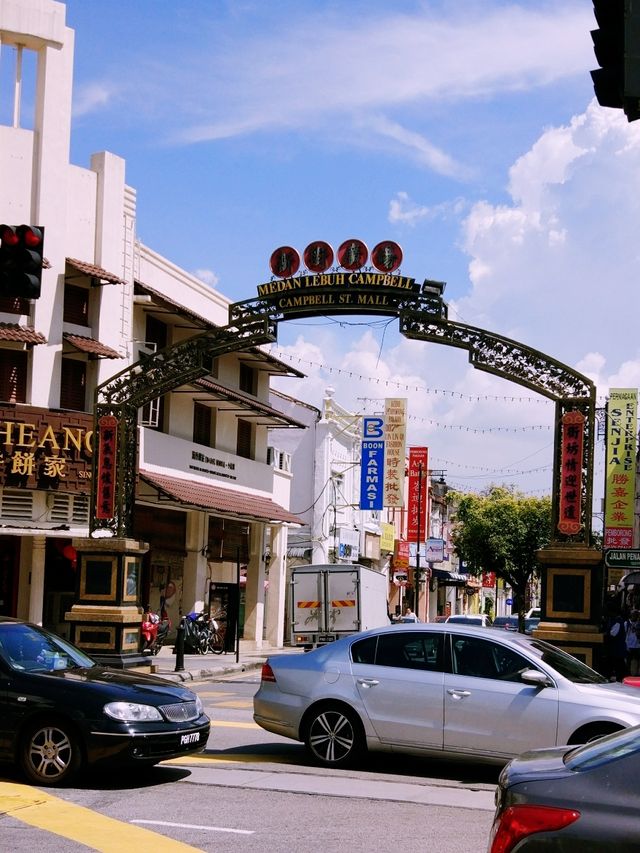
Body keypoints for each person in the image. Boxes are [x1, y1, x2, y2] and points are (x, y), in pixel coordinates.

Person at [627, 610, 640, 677]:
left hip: (637, 646)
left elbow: (638, 635)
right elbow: (626, 635)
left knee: (636, 661)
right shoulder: (627, 623)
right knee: (628, 661)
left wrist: (636, 629)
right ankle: (629, 674)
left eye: (635, 615)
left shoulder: (639, 624)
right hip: (629, 645)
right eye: (632, 615)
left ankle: (636, 675)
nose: (633, 616)